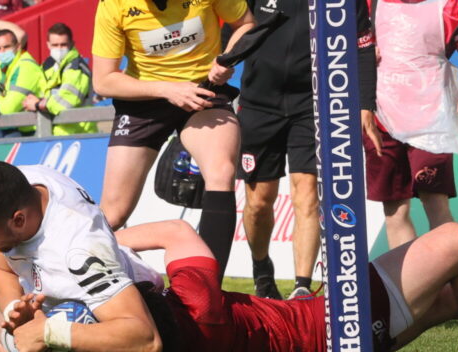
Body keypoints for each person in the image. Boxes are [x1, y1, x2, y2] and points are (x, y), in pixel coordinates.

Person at [0, 169, 458, 352]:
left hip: (322, 345)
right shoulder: (190, 312)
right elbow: (181, 237)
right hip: (329, 326)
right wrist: (109, 244)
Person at [0, 160, 168, 352]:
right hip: (75, 301)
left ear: (18, 220)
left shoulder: (80, 251)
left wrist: (48, 332)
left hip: (126, 300)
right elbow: (2, 270)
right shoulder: (19, 187)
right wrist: (15, 311)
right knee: (11, 333)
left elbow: (146, 341)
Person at [91, 0, 256, 281]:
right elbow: (103, 82)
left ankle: (208, 292)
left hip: (202, 92)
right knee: (113, 214)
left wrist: (227, 58)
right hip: (144, 101)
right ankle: (77, 271)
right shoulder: (114, 5)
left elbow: (247, 24)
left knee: (222, 172)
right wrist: (166, 89)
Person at [238, 0, 382, 300]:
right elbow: (234, 26)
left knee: (307, 192)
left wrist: (366, 103)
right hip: (258, 104)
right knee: (259, 201)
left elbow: (363, 45)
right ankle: (261, 267)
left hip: (313, 103)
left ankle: (302, 286)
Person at [364, 0, 458, 250]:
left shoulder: (453, 9)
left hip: (432, 120)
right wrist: (362, 55)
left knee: (435, 203)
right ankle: (414, 288)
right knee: (395, 211)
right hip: (380, 121)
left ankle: (449, 283)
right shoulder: (366, 6)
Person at [22, 22, 97, 136]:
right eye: (55, 45)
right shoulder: (48, 67)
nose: (59, 49)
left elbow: (65, 102)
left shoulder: (77, 69)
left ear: (72, 44)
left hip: (80, 134)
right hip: (54, 132)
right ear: (48, 45)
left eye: (63, 45)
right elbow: (44, 94)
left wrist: (38, 104)